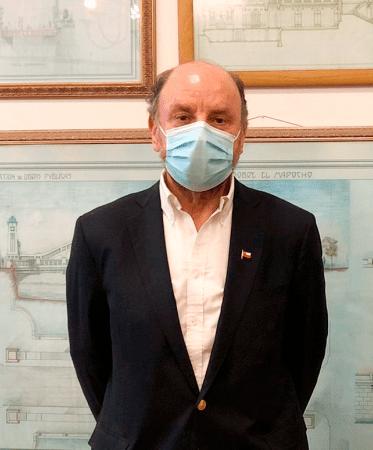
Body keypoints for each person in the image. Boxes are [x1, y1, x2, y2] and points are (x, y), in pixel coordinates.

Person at [67, 61, 328, 449]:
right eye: (183, 117)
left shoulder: (291, 230)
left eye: (219, 119)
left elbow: (305, 353)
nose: (201, 132)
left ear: (241, 136)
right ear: (155, 132)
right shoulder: (100, 232)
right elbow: (90, 355)